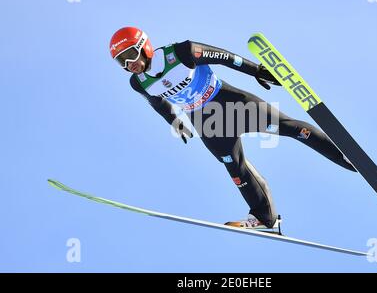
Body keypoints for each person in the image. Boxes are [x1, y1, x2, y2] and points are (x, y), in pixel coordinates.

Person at [109, 26, 356, 232]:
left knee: (289, 128)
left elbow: (226, 57)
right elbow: (158, 102)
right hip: (206, 122)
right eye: (121, 61)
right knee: (234, 166)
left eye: (130, 54)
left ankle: (346, 156)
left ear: (145, 46)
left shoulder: (182, 52)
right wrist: (174, 121)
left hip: (230, 101)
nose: (129, 63)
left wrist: (256, 70)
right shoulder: (138, 83)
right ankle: (265, 219)